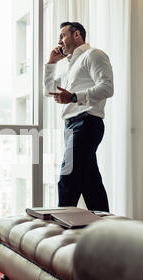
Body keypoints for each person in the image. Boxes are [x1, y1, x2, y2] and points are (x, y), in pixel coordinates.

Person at [44, 22, 113, 212]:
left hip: (86, 122)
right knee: (90, 183)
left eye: (62, 35)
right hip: (71, 126)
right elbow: (49, 91)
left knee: (68, 177)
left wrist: (74, 96)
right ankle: (106, 228)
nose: (59, 41)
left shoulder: (93, 55)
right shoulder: (68, 66)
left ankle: (59, 231)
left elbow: (107, 88)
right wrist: (51, 63)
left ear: (76, 35)